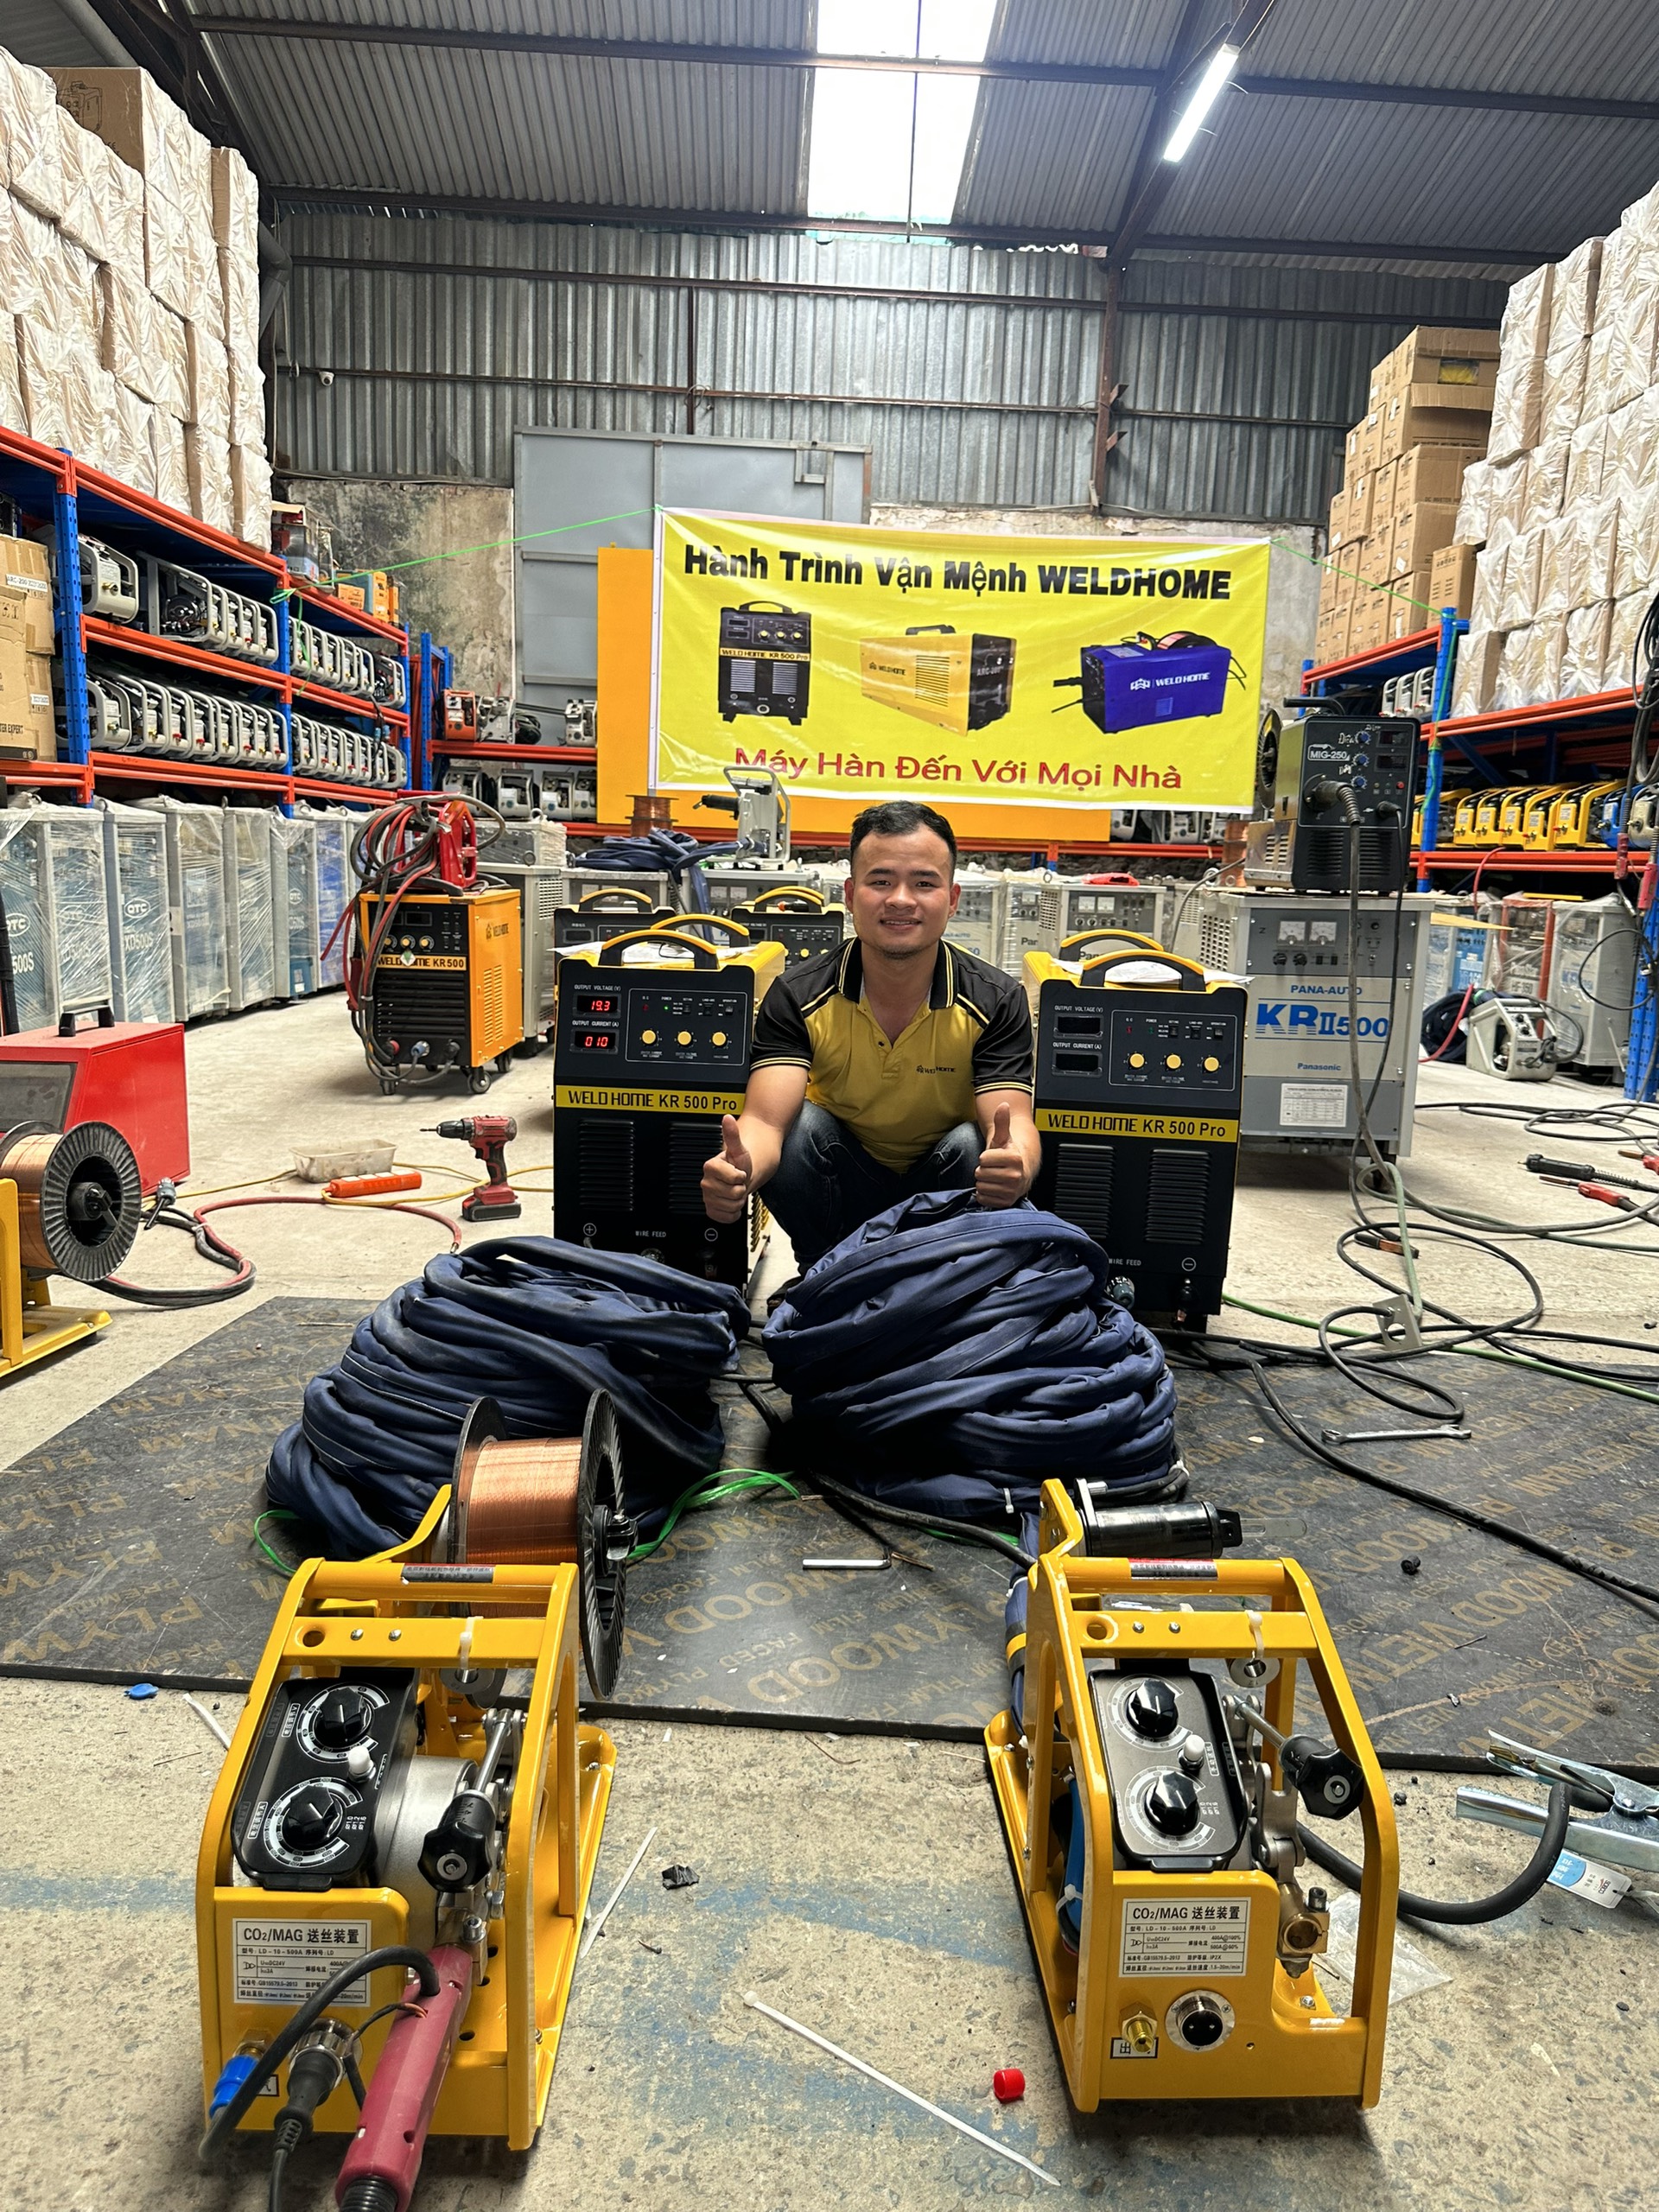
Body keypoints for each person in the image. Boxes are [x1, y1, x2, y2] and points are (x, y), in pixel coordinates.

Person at [701, 798, 1039, 1270]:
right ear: (850, 893)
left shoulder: (996, 1000)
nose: (900, 899)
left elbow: (1014, 1123)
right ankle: (823, 1274)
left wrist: (1016, 1164)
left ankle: (936, 1277)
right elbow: (766, 1123)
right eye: (880, 881)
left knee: (973, 1144)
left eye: (924, 883)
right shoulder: (798, 995)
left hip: (943, 1188)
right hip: (840, 1185)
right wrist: (741, 1170)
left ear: (952, 899)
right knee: (798, 1132)